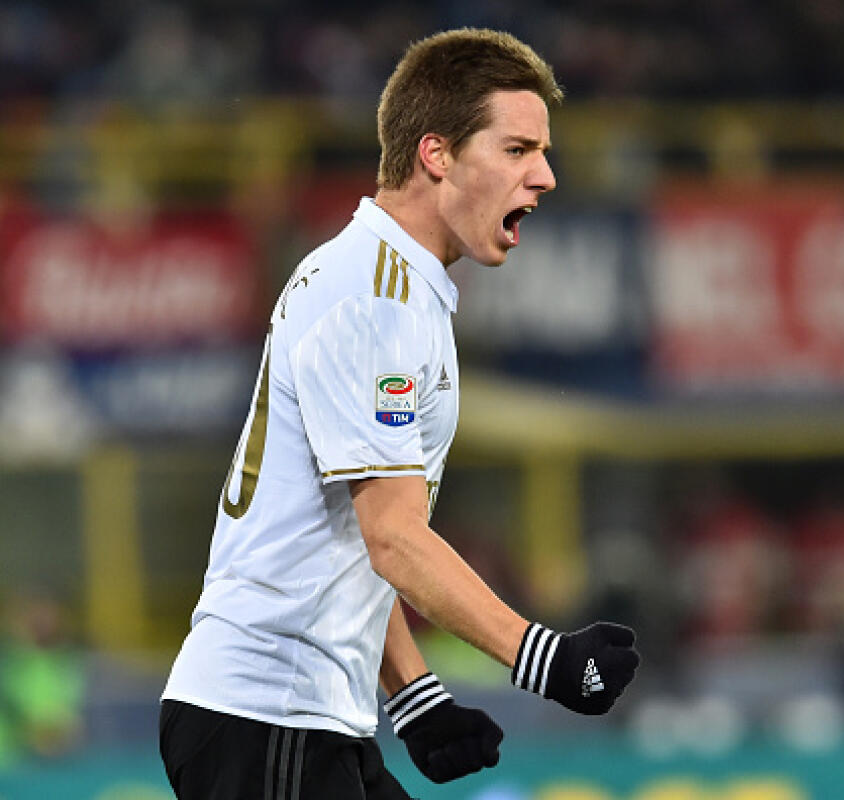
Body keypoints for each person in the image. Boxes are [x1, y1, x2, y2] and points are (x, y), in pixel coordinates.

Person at [159, 28, 640, 800]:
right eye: (518, 149)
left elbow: (351, 530)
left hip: (290, 718)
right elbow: (393, 537)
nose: (546, 176)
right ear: (436, 154)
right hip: (268, 715)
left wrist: (411, 694)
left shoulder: (389, 286)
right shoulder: (375, 299)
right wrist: (540, 655)